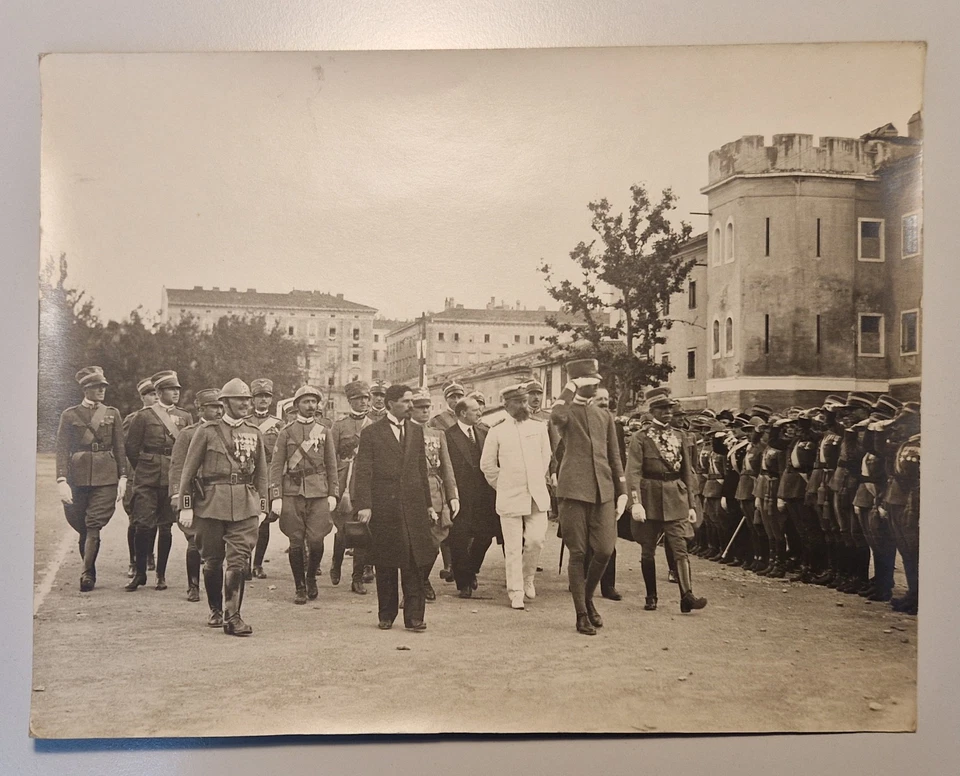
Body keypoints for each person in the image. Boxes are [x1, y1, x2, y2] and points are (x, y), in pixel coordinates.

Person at [177, 378, 269, 635]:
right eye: (240, 400)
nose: (245, 404)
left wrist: (262, 507)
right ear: (225, 403)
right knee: (212, 561)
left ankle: (233, 617)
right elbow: (188, 471)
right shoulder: (206, 431)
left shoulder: (254, 432)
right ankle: (216, 609)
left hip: (244, 504)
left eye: (248, 400)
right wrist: (186, 505)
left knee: (238, 560)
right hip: (211, 504)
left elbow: (262, 473)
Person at [550, 358, 627, 636]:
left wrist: (622, 491)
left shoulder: (604, 416)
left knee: (605, 549)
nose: (595, 384)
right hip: (574, 491)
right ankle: (581, 614)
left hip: (603, 491)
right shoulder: (567, 411)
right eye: (589, 381)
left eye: (596, 380)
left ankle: (588, 598)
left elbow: (615, 456)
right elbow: (556, 417)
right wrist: (569, 387)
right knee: (579, 552)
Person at [353, 384, 437, 631]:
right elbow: (363, 472)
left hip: (413, 506)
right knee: (386, 561)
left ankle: (414, 617)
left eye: (412, 401)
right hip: (384, 505)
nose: (411, 406)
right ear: (390, 404)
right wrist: (365, 505)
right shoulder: (372, 433)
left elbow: (422, 472)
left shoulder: (415, 431)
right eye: (406, 401)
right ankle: (386, 614)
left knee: (415, 561)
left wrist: (429, 505)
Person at [626, 387, 705, 614]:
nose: (668, 412)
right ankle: (651, 596)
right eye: (662, 408)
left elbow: (687, 472)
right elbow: (633, 471)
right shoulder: (640, 438)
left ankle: (687, 595)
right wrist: (636, 502)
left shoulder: (680, 436)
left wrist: (690, 503)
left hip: (675, 497)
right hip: (649, 497)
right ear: (652, 412)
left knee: (680, 547)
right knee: (647, 550)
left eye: (670, 408)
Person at [55, 366, 128, 591]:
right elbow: (61, 449)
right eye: (97, 387)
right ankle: (90, 567)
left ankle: (87, 574)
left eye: (103, 387)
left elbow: (119, 446)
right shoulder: (70, 414)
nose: (101, 391)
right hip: (78, 476)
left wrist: (123, 475)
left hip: (105, 476)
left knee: (94, 524)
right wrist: (61, 480)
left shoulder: (112, 413)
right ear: (86, 389)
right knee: (83, 526)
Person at [480, 383, 551, 609]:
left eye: (524, 401)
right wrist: (503, 484)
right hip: (509, 496)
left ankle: (528, 578)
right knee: (512, 547)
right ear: (506, 405)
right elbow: (487, 465)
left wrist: (535, 479)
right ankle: (516, 591)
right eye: (518, 402)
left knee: (535, 540)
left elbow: (545, 457)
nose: (524, 405)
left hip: (536, 495)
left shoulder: (539, 428)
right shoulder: (497, 431)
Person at [269, 385, 339, 605]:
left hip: (318, 491)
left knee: (317, 541)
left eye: (314, 402)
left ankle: (311, 578)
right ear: (297, 405)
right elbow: (276, 466)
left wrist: (333, 493)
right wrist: (276, 495)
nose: (311, 406)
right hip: (292, 491)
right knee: (296, 541)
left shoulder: (325, 432)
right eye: (306, 402)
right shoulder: (286, 432)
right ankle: (299, 585)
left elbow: (331, 465)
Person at [124, 370, 193, 591]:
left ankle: (161, 575)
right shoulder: (143, 417)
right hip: (147, 476)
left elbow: (190, 448)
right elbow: (131, 449)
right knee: (143, 524)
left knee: (166, 527)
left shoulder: (185, 417)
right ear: (159, 392)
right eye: (172, 389)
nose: (176, 393)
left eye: (178, 390)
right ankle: (141, 572)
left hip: (173, 478)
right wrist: (145, 466)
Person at [169, 388, 223, 602]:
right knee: (193, 540)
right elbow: (177, 467)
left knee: (215, 544)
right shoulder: (188, 434)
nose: (219, 411)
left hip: (216, 496)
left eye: (221, 406)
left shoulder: (226, 431)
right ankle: (193, 585)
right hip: (194, 493)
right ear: (201, 409)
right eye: (213, 407)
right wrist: (178, 497)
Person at [444, 395, 501, 599]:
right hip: (460, 496)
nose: (480, 412)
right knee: (459, 539)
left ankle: (471, 569)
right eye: (475, 410)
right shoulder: (448, 436)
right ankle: (463, 583)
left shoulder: (485, 431)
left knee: (485, 535)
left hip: (485, 494)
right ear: (462, 413)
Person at [410, 390, 460, 601]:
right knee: (414, 544)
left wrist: (452, 496)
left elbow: (446, 467)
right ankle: (415, 586)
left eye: (427, 407)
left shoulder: (437, 434)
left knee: (436, 541)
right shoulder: (405, 433)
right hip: (412, 493)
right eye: (420, 407)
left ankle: (422, 578)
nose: (424, 411)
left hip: (435, 491)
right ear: (410, 409)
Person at [329, 380, 376, 593]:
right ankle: (336, 563)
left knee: (362, 532)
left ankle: (357, 578)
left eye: (366, 398)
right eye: (359, 399)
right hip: (343, 484)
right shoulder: (339, 426)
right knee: (342, 531)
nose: (364, 402)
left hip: (366, 485)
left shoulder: (374, 426)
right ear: (350, 401)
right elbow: (330, 457)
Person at [584, 386, 622, 600]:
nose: (605, 402)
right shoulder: (580, 422)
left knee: (608, 540)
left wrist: (621, 488)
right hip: (584, 487)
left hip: (607, 486)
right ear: (590, 401)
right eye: (600, 399)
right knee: (582, 541)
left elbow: (618, 457)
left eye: (607, 399)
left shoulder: (613, 424)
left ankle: (608, 585)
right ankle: (583, 581)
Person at [122, 377, 158, 578]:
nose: (155, 398)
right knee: (135, 520)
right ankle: (134, 560)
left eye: (156, 394)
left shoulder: (166, 419)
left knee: (153, 519)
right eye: (151, 394)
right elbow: (129, 449)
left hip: (155, 474)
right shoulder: (134, 418)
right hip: (137, 475)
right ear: (143, 397)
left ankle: (149, 554)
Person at [249, 378, 281, 580]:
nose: (263, 400)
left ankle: (258, 564)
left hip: (267, 475)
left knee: (264, 522)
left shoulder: (278, 425)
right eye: (259, 396)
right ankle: (243, 562)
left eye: (266, 396)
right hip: (247, 475)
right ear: (252, 399)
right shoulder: (244, 421)